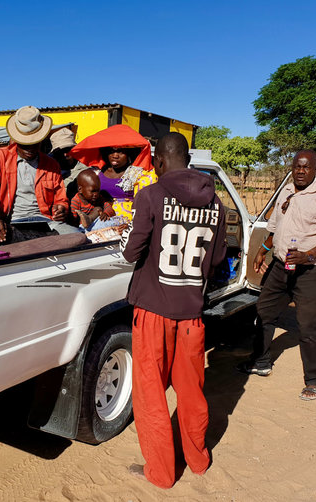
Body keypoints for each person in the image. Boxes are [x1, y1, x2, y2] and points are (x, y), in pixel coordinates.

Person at [121, 132, 226, 489]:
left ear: (159, 161)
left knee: (151, 394)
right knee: (191, 390)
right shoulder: (216, 203)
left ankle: (162, 472)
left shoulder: (150, 195)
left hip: (153, 311)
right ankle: (197, 460)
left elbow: (131, 252)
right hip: (192, 314)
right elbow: (215, 262)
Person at [237, 150, 316, 401]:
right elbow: (274, 228)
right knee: (264, 311)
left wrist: (308, 256)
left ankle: (315, 379)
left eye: (306, 167)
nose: (301, 171)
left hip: (312, 270)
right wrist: (263, 250)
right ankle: (261, 361)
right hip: (282, 265)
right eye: (297, 166)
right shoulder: (285, 191)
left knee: (307, 325)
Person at [0, 106, 81, 247]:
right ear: (16, 140)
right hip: (10, 223)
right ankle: (36, 245)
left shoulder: (52, 164)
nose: (29, 149)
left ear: (41, 140)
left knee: (77, 236)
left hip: (45, 223)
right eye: (24, 145)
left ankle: (21, 247)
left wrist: (61, 208)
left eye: (34, 144)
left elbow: (60, 199)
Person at [68, 124, 156, 220]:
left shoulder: (139, 175)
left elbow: (144, 205)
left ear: (130, 153)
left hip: (126, 220)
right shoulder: (95, 172)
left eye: (121, 151)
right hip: (96, 218)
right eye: (111, 151)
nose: (115, 156)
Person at [48, 127, 87, 198]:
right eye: (61, 151)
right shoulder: (47, 170)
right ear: (55, 154)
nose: (65, 154)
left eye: (68, 150)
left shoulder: (85, 171)